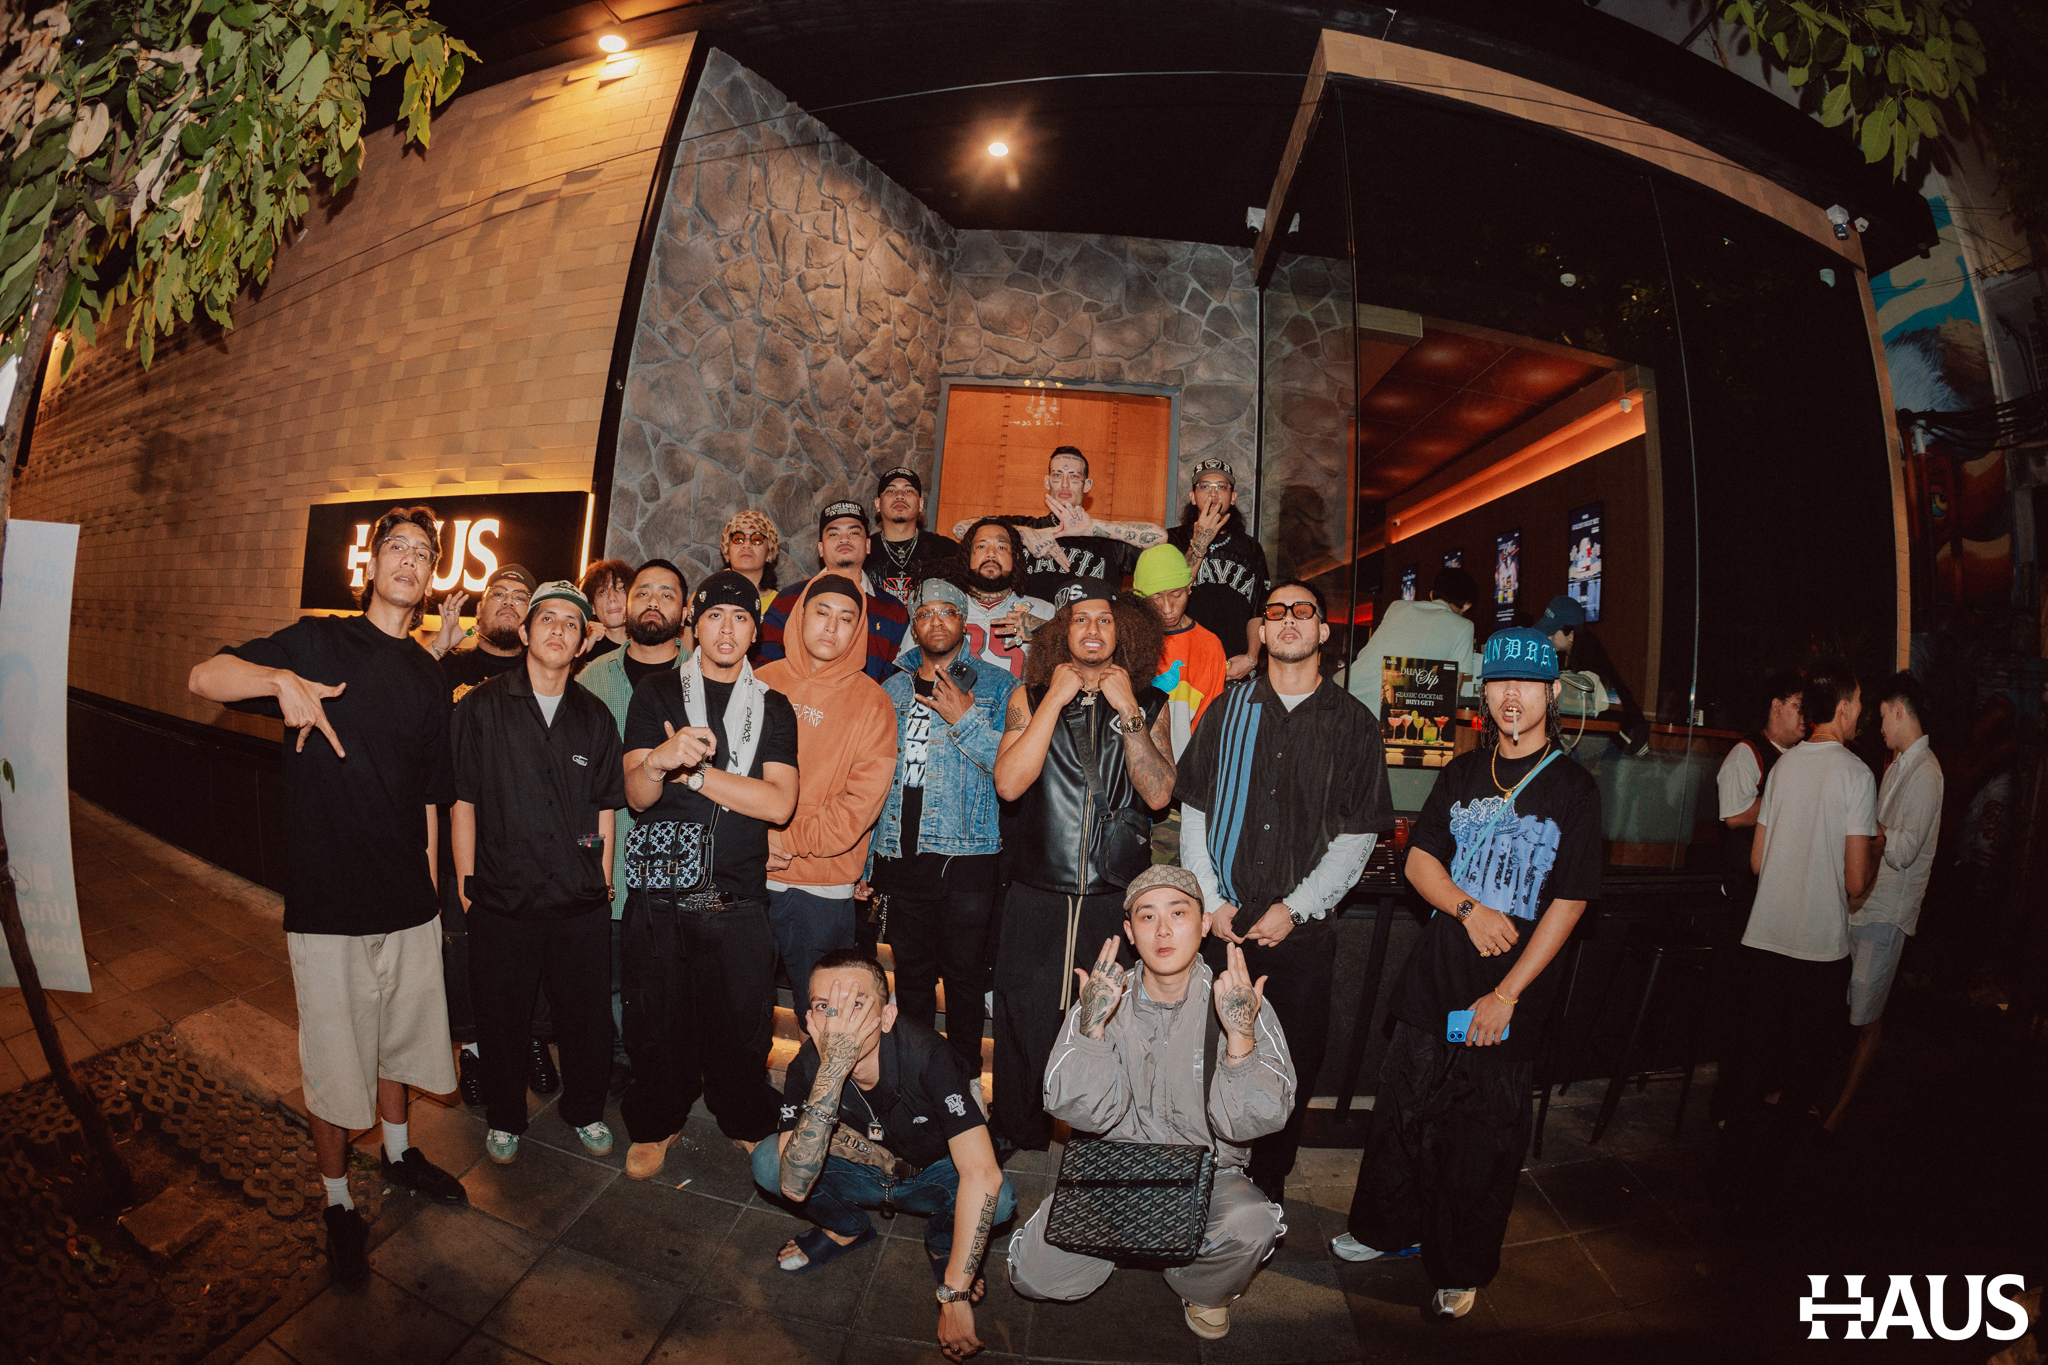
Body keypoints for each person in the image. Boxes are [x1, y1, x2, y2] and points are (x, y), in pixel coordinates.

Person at [188, 504, 469, 1287]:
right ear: (371, 564)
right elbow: (204, 676)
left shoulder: (428, 673)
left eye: (423, 552)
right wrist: (278, 679)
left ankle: (401, 1153)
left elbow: (429, 795)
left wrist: (433, 894)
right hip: (328, 900)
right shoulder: (318, 640)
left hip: (406, 901)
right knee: (335, 1060)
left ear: (432, 573)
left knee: (398, 1045)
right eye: (396, 546)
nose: (409, 559)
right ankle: (338, 1199)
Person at [1337, 627, 1601, 1320]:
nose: (1512, 695)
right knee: (1401, 1113)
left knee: (1481, 1141)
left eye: (1527, 684)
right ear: (1484, 694)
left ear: (1551, 693)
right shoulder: (1461, 772)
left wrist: (1507, 993)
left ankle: (1459, 1266)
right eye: (1500, 682)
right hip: (1434, 980)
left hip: (1507, 995)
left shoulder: (1574, 788)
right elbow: (1420, 858)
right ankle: (1386, 1231)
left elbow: (1571, 900)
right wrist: (1468, 908)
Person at [1007, 866, 1296, 1342]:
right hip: (1111, 1174)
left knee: (1253, 1224)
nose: (1163, 930)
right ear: (1129, 931)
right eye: (1147, 916)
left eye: (1178, 913)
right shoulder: (1104, 997)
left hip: (1205, 1177)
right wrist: (1093, 1028)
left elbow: (1252, 1123)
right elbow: (1077, 1112)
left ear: (1205, 924)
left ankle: (1197, 1283)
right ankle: (1120, 1242)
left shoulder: (1237, 1001)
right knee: (1032, 1277)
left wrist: (1240, 1038)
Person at [1177, 580, 1394, 1200]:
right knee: (1204, 1062)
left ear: (1323, 630)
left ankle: (1265, 1196)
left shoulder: (1354, 725)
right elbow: (1195, 812)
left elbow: (1356, 838)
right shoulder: (1226, 710)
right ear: (1263, 631)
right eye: (1276, 612)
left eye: (1304, 611)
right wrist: (1211, 900)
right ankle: (1200, 1188)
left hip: (1302, 940)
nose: (1289, 620)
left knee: (1286, 1070)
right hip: (1222, 931)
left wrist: (1293, 911)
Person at [618, 570, 800, 1180]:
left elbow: (779, 804)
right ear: (695, 624)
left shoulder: (773, 706)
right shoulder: (657, 694)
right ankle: (656, 1122)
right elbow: (637, 796)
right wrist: (658, 762)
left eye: (740, 617)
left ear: (755, 631)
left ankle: (744, 1118)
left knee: (743, 1026)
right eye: (715, 615)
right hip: (661, 891)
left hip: (737, 892)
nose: (727, 628)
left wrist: (694, 775)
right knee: (656, 1022)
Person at [753, 949, 1014, 1363]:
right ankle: (846, 1229)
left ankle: (943, 1244)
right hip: (861, 1173)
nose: (839, 1021)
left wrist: (955, 1292)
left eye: (856, 1005)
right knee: (768, 1162)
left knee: (997, 1200)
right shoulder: (808, 1065)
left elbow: (983, 1174)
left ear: (887, 1016)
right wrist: (831, 1072)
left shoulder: (929, 1055)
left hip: (931, 1176)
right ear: (809, 1020)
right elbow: (793, 1185)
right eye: (824, 1007)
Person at [989, 578, 1176, 1150]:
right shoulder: (1028, 697)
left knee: (1109, 1019)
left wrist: (1129, 711)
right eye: (1079, 619)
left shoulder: (1150, 702)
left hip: (1110, 897)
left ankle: (1099, 1134)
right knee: (1023, 1016)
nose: (1092, 630)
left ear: (1123, 632)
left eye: (1104, 620)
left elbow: (1159, 794)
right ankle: (1019, 1129)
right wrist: (1052, 699)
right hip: (1036, 890)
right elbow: (1009, 783)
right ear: (1061, 632)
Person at [449, 581, 625, 1164]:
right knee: (501, 1018)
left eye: (571, 624)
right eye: (547, 619)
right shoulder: (480, 708)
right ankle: (505, 1118)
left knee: (586, 1019)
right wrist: (468, 888)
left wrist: (601, 880)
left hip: (579, 899)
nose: (558, 630)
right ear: (525, 632)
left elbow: (604, 807)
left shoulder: (594, 715)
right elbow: (463, 801)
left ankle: (585, 1110)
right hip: (501, 897)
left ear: (582, 644)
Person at [1723, 657, 1876, 1190]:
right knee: (1804, 1071)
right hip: (1818, 948)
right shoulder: (1857, 775)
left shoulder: (1784, 767)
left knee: (1756, 1059)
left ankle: (1730, 1171)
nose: (1862, 712)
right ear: (1842, 708)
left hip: (1766, 938)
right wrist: (1874, 852)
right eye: (1859, 703)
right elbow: (1855, 882)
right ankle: (1764, 1180)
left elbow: (1757, 862)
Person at [866, 579, 1019, 1081]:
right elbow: (875, 778)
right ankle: (916, 1080)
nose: (936, 621)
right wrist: (868, 860)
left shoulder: (997, 686)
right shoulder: (891, 688)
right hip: (900, 854)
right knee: (910, 979)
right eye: (925, 612)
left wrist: (966, 718)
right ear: (914, 625)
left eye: (947, 611)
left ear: (963, 622)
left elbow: (1014, 770)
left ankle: (965, 1079)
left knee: (964, 979)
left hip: (968, 856)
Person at [560, 558, 690, 1095]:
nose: (653, 601)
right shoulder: (592, 678)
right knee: (609, 977)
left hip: (681, 867)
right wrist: (586, 855)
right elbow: (575, 783)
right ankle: (618, 1059)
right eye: (644, 592)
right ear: (626, 605)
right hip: (607, 859)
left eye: (667, 593)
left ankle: (666, 1062)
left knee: (671, 980)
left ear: (684, 611)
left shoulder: (704, 676)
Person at [756, 575, 899, 999]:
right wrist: (753, 841)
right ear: (800, 615)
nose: (831, 627)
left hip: (821, 889)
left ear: (859, 629)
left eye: (846, 618)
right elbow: (728, 775)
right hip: (747, 878)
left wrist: (783, 840)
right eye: (822, 613)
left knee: (820, 1016)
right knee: (741, 1011)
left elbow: (860, 806)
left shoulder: (873, 702)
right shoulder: (758, 682)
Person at [1823, 672, 1942, 1134]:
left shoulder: (1927, 772)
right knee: (1847, 1006)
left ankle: (1841, 1110)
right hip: (1865, 903)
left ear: (1898, 710)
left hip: (1888, 911)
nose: (1878, 726)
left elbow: (1905, 849)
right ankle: (1824, 1096)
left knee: (1867, 1016)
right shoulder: (1898, 765)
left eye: (1881, 717)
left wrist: (1867, 827)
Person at [952, 447, 1166, 601]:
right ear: (1047, 482)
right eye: (1057, 476)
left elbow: (1160, 538)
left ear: (1087, 485)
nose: (1064, 484)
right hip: (1025, 638)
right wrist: (1025, 534)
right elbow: (960, 529)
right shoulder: (1023, 526)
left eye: (1073, 477)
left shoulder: (1107, 540)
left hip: (1088, 640)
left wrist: (1093, 528)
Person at [759, 502, 910, 682]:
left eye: (854, 533)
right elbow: (764, 668)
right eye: (833, 534)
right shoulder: (789, 600)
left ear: (868, 545)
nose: (844, 539)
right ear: (821, 549)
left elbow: (899, 682)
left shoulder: (893, 611)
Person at [1166, 460, 1269, 682]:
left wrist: (1251, 658)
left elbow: (1258, 608)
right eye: (1205, 486)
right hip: (1181, 661)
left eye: (1221, 487)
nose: (1213, 494)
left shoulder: (1250, 548)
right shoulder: (1172, 540)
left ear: (1233, 497)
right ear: (1193, 496)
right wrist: (1199, 541)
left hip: (1234, 664)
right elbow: (1169, 597)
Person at [1717, 669, 1805, 911]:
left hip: (1787, 889)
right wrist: (1790, 799)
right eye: (1799, 706)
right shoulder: (1746, 753)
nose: (1805, 715)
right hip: (1747, 892)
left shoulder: (1802, 756)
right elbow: (1735, 816)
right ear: (1776, 706)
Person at [1346, 565, 1483, 718]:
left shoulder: (1396, 607)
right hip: (1382, 715)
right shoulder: (1464, 626)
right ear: (1466, 605)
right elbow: (1452, 691)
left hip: (1346, 694)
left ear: (1432, 595)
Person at [1134, 544, 1227, 760]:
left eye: (1176, 594)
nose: (1168, 608)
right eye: (1156, 598)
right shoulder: (1127, 639)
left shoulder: (1209, 645)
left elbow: (1209, 725)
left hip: (1186, 767)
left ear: (1189, 586)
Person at [1533, 595, 1647, 754]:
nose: (1548, 636)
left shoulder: (1590, 657)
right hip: (1604, 735)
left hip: (1624, 739)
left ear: (1571, 635)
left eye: (1552, 631)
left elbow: (1588, 704)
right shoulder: (1569, 654)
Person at [956, 517, 1051, 681]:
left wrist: (1046, 632)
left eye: (1001, 547)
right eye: (981, 546)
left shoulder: (1043, 611)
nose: (991, 554)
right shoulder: (947, 609)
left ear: (1016, 557)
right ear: (967, 556)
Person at [867, 466, 960, 608]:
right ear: (878, 504)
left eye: (908, 491)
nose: (899, 496)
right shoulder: (863, 551)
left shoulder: (946, 550)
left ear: (921, 504)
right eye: (891, 491)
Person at [436, 564, 536, 696]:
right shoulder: (446, 667)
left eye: (520, 598)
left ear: (531, 617)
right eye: (499, 594)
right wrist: (438, 648)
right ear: (479, 610)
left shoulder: (541, 677)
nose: (508, 601)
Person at [574, 558, 633, 673]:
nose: (612, 598)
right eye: (602, 591)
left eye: (620, 588)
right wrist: (583, 652)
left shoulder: (648, 644)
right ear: (593, 607)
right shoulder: (584, 648)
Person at [720, 508, 783, 616]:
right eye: (738, 538)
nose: (746, 545)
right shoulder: (710, 597)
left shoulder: (781, 604)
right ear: (727, 552)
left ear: (769, 553)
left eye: (757, 539)